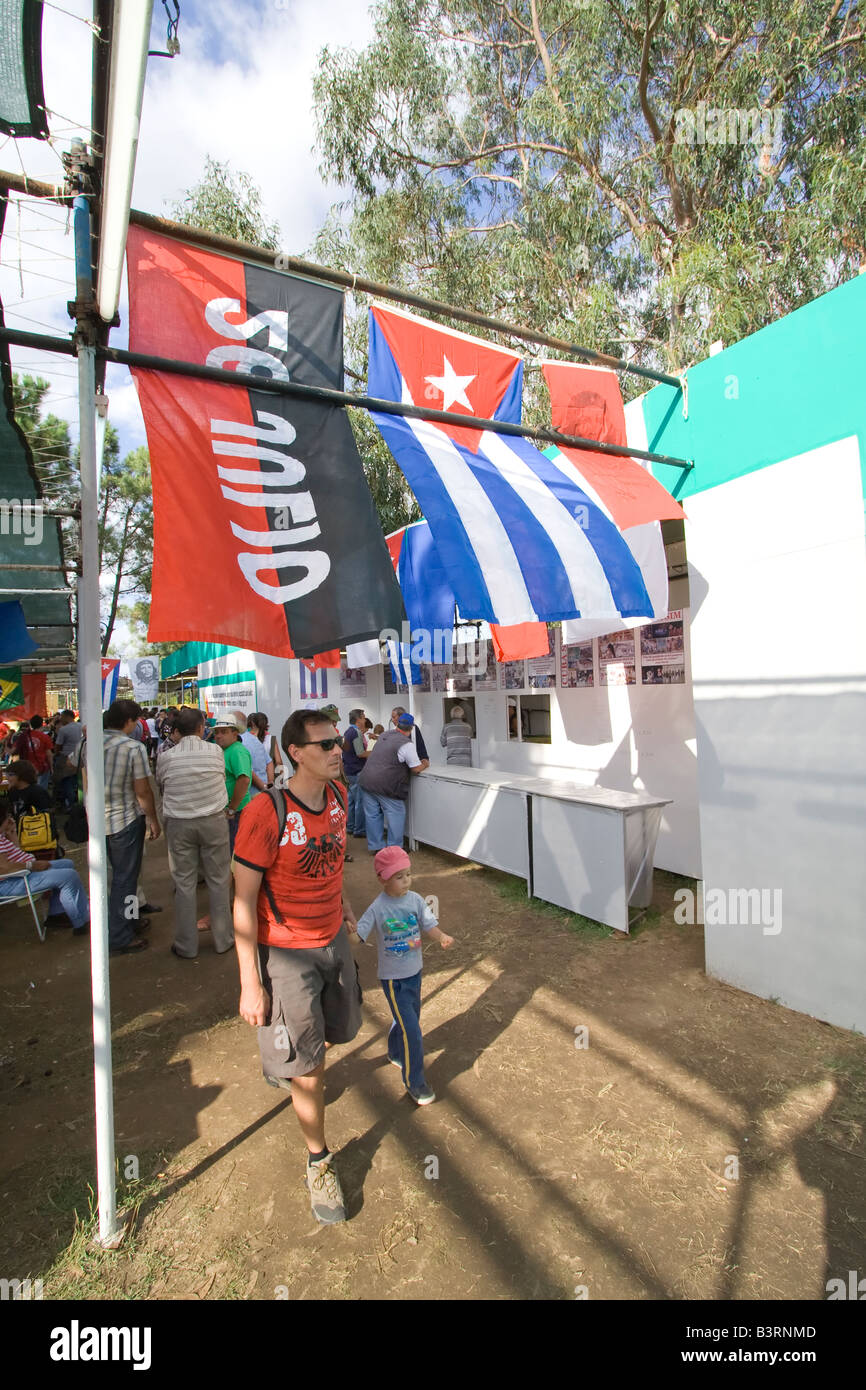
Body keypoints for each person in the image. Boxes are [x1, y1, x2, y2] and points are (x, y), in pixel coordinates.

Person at [232, 708, 360, 1225]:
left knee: (335, 1031)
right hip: (285, 952)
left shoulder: (339, 797)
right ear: (294, 752)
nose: (337, 750)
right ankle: (318, 1160)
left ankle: (294, 1055)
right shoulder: (266, 811)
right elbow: (242, 900)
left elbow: (330, 858)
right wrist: (250, 983)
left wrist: (344, 902)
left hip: (333, 940)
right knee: (307, 1069)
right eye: (325, 744)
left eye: (337, 741)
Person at [354, 846, 454, 1104]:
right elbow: (359, 934)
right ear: (382, 879)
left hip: (415, 973)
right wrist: (345, 932)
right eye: (399, 877)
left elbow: (428, 924)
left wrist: (441, 936)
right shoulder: (378, 908)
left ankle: (396, 1052)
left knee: (409, 1017)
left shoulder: (416, 900)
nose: (406, 881)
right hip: (393, 980)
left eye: (408, 875)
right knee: (412, 1030)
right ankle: (415, 1082)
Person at [157, 707, 235, 960]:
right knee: (219, 879)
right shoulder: (215, 752)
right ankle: (224, 940)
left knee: (184, 883)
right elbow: (220, 777)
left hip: (179, 824)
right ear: (202, 728)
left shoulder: (166, 756)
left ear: (177, 730)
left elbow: (161, 784)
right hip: (213, 821)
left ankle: (186, 945)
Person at [101, 699, 161, 956]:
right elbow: (143, 790)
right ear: (128, 722)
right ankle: (121, 934)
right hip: (124, 821)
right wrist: (153, 819)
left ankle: (131, 920)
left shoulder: (89, 742)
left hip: (98, 822)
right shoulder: (132, 748)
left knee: (115, 877)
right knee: (126, 879)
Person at [0, 795, 90, 935]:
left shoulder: (2, 836)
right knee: (69, 876)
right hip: (12, 882)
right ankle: (81, 922)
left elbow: (16, 854)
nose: (10, 819)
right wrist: (32, 866)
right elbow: (3, 868)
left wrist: (12, 834)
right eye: (7, 816)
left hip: (20, 875)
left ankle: (57, 914)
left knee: (67, 863)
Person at [359, 712, 429, 854]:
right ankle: (395, 848)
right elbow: (415, 769)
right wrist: (425, 763)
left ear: (397, 724)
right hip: (386, 784)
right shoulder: (406, 744)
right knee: (396, 813)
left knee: (372, 815)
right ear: (411, 728)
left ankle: (376, 846)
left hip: (366, 780)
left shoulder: (385, 735)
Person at [213, 718, 252, 854]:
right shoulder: (228, 750)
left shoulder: (237, 751)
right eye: (217, 732)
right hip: (232, 810)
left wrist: (232, 809)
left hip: (237, 811)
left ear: (235, 733)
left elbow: (244, 779)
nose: (218, 736)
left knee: (234, 851)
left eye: (223, 732)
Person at [341, 708, 369, 839]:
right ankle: (359, 829)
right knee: (360, 801)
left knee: (351, 801)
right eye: (363, 717)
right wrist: (375, 751)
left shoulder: (348, 731)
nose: (364, 720)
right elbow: (360, 753)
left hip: (348, 769)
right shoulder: (356, 732)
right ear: (358, 719)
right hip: (357, 770)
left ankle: (350, 826)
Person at [52, 710, 83, 809]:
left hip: (66, 758)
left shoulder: (63, 730)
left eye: (62, 716)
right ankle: (79, 802)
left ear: (67, 717)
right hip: (81, 757)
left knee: (66, 781)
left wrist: (56, 753)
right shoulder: (82, 726)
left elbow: (57, 747)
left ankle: (70, 804)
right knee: (78, 781)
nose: (60, 719)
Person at [14, 716, 53, 790]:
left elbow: (16, 751)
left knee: (28, 789)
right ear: (42, 724)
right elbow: (49, 754)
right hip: (42, 766)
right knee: (41, 789)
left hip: (26, 767)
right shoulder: (45, 737)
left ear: (31, 724)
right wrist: (51, 767)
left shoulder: (24, 736)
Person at [241, 713, 271, 797]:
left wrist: (264, 787)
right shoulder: (270, 739)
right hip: (264, 789)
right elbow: (271, 762)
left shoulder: (242, 741)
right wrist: (269, 785)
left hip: (251, 793)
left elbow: (248, 770)